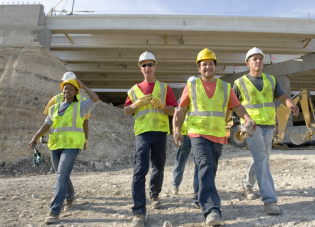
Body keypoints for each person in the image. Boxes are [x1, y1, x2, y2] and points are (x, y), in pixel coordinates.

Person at [174, 48, 256, 226]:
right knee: (205, 164)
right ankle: (211, 210)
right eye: (204, 64)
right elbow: (181, 110)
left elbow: (237, 106)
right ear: (199, 68)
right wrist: (177, 129)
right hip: (198, 133)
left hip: (218, 135)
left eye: (210, 64)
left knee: (209, 169)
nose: (207, 67)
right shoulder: (192, 86)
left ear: (215, 66)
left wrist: (247, 117)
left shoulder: (225, 87)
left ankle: (199, 197)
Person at [233, 47, 299, 215]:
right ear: (248, 63)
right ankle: (270, 200)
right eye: (254, 59)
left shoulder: (271, 80)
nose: (258, 61)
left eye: (260, 58)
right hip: (251, 126)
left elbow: (282, 96)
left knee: (263, 157)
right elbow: (233, 104)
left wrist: (290, 105)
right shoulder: (240, 83)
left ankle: (247, 184)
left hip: (269, 125)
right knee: (262, 157)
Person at [29, 78, 99, 224]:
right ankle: (69, 196)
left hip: (72, 145)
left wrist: (84, 86)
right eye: (65, 89)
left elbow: (95, 98)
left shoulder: (81, 106)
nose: (67, 91)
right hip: (55, 144)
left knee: (61, 175)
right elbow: (47, 124)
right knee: (61, 174)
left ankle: (54, 211)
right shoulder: (54, 108)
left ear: (75, 92)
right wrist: (36, 137)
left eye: (70, 89)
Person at [124, 51, 178, 227]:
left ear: (155, 66)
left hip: (160, 132)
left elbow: (173, 110)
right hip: (142, 133)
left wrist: (163, 106)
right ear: (140, 68)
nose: (147, 68)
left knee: (159, 166)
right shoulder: (134, 90)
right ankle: (139, 211)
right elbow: (126, 110)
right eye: (144, 65)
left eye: (150, 64)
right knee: (140, 169)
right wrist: (136, 104)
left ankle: (154, 193)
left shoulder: (164, 88)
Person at [43, 72, 90, 150]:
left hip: (72, 141)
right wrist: (86, 139)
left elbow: (85, 120)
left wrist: (86, 138)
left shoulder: (82, 101)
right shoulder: (55, 99)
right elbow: (48, 120)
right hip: (58, 140)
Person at [172, 76, 199, 209]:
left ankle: (197, 191)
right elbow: (176, 115)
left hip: (197, 134)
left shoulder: (201, 99)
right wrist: (175, 131)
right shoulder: (182, 99)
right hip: (184, 134)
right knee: (181, 160)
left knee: (199, 163)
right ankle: (176, 185)